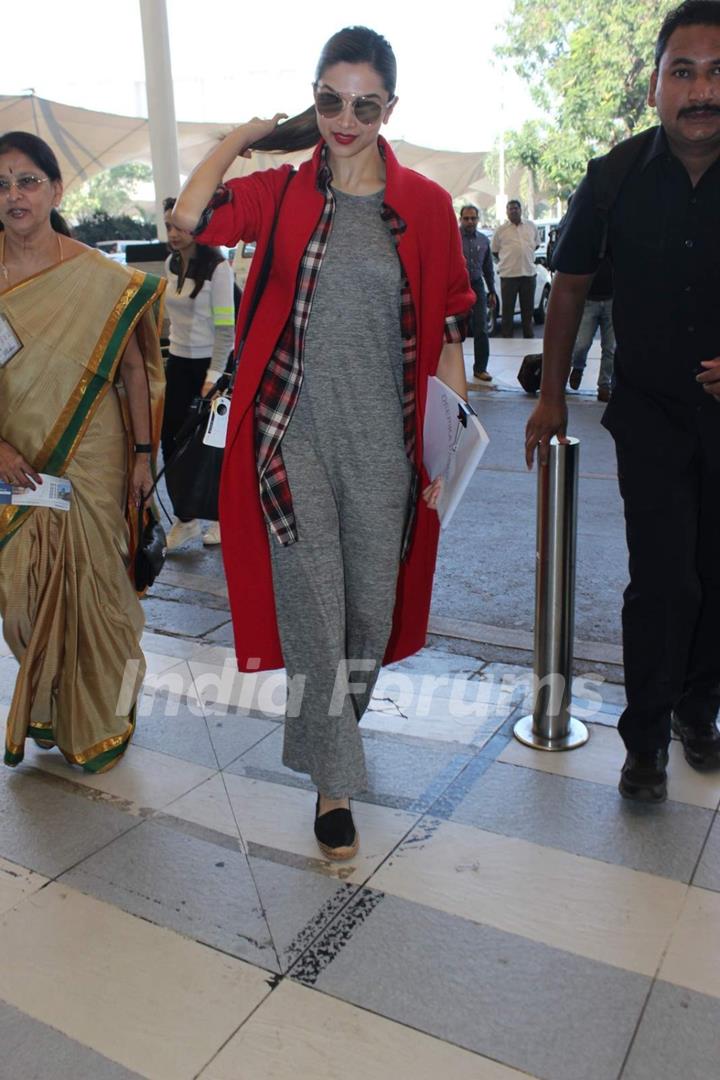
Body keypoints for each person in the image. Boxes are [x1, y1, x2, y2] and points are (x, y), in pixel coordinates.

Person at [173, 26, 474, 860]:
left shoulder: (424, 206)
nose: (346, 119)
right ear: (315, 100)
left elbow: (449, 328)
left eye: (364, 103)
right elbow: (189, 219)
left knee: (367, 620)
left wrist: (444, 451)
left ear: (390, 109)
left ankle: (334, 737)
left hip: (385, 442)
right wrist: (244, 137)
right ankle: (334, 786)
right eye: (330, 99)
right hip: (287, 434)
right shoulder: (281, 191)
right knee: (314, 608)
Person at [525, 0, 720, 803]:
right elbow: (569, 289)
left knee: (717, 574)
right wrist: (549, 399)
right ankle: (644, 737)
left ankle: (698, 710)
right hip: (648, 413)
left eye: (716, 73)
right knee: (665, 579)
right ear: (654, 87)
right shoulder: (613, 177)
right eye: (684, 72)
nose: (700, 90)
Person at [0, 131, 165, 773]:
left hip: (93, 452)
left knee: (98, 588)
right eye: (2, 184)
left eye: (27, 181)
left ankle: (95, 719)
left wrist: (144, 455)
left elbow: (132, 370)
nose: (14, 195)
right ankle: (48, 698)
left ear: (55, 190)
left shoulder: (99, 279)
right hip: (14, 459)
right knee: (19, 594)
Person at [162, 197, 235, 549]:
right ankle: (185, 518)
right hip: (177, 363)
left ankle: (223, 515)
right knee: (173, 443)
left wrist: (215, 374)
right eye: (168, 227)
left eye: (179, 226)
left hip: (211, 368)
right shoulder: (170, 264)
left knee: (211, 450)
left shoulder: (219, 269)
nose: (173, 234)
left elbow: (226, 328)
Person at [566, 256, 615, 402]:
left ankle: (604, 386)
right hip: (589, 300)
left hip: (612, 299)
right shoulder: (592, 239)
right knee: (582, 344)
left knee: (610, 348)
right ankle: (578, 367)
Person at [458, 204, 496, 382]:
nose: (470, 221)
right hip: (456, 286)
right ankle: (450, 370)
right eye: (466, 218)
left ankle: (480, 369)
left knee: (481, 327)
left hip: (477, 286)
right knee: (454, 330)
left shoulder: (483, 240)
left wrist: (492, 291)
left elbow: (488, 268)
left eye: (473, 218)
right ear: (461, 219)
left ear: (478, 219)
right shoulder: (452, 237)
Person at [492, 199, 539, 338]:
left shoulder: (531, 226)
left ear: (521, 210)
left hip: (528, 274)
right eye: (510, 209)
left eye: (516, 208)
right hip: (509, 276)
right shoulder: (500, 230)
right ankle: (507, 340)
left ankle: (529, 340)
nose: (514, 211)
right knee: (507, 312)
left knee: (527, 312)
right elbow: (495, 251)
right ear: (506, 212)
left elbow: (535, 245)